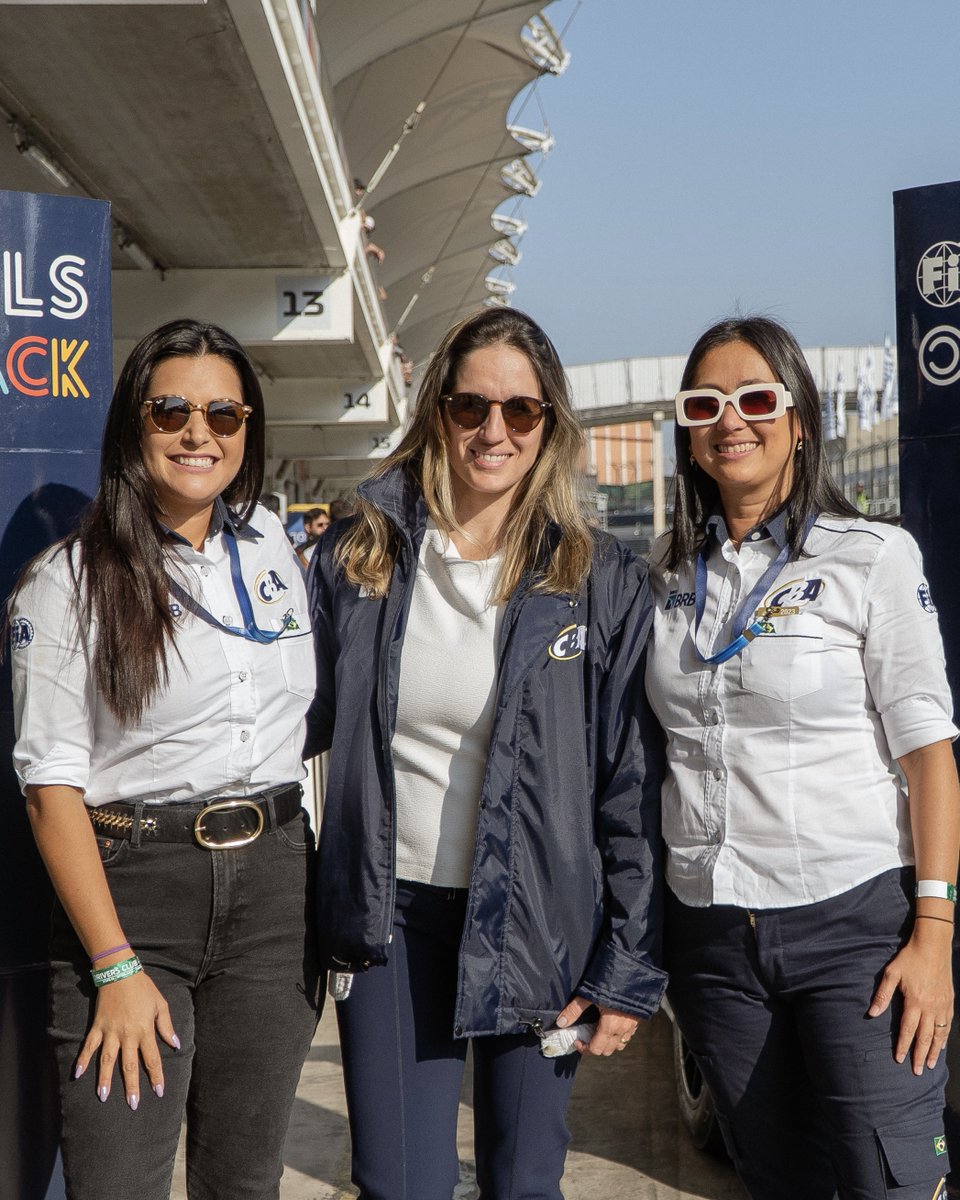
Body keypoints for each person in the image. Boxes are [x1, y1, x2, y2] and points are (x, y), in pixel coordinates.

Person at [305, 307, 665, 1200]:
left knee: (523, 1180)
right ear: (437, 412)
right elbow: (279, 722)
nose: (492, 431)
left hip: (539, 918)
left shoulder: (597, 577)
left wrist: (628, 963)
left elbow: (632, 782)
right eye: (471, 407)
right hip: (391, 920)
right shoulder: (359, 556)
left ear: (550, 425)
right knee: (398, 1182)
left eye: (520, 412)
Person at [645, 315, 960, 1200]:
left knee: (889, 1179)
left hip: (854, 930)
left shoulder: (871, 558)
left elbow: (930, 756)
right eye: (704, 403)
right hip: (711, 938)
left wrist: (934, 936)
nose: (729, 421)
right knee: (779, 1180)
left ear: (801, 420)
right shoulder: (667, 579)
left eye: (754, 398)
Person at [8, 318, 320, 1200]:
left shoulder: (273, 555)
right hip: (136, 894)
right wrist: (114, 964)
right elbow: (49, 787)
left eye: (225, 414)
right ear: (132, 426)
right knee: (119, 1183)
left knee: (245, 1180)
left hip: (274, 897)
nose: (199, 433)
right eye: (171, 410)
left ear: (248, 429)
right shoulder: (67, 579)